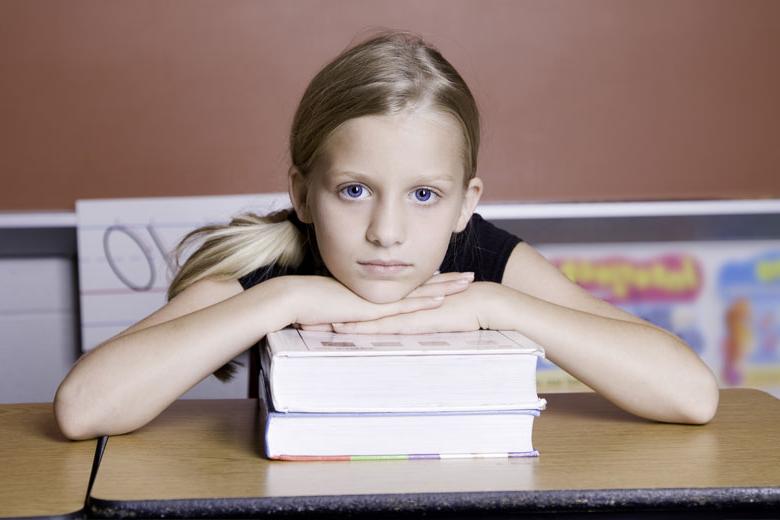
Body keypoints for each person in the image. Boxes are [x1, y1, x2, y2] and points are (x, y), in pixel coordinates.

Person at [54, 30, 719, 441]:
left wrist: (496, 305)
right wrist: (282, 301)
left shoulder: (482, 260)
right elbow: (83, 410)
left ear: (466, 203)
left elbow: (690, 395)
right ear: (301, 195)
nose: (387, 232)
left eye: (425, 195)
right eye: (354, 190)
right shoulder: (273, 266)